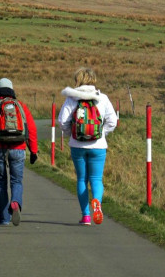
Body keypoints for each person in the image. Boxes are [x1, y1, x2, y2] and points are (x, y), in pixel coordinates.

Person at [57, 67, 117, 226]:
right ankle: (97, 201)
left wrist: (72, 133)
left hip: (77, 146)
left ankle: (86, 216)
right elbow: (113, 121)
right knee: (96, 178)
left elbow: (62, 121)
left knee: (82, 179)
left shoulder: (71, 98)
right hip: (98, 146)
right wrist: (102, 133)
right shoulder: (102, 98)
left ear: (78, 80)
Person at [0, 78, 38, 226]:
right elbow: (31, 129)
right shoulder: (20, 106)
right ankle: (15, 202)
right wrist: (34, 150)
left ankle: (4, 218)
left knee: (1, 182)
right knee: (16, 180)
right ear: (11, 89)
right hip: (18, 148)